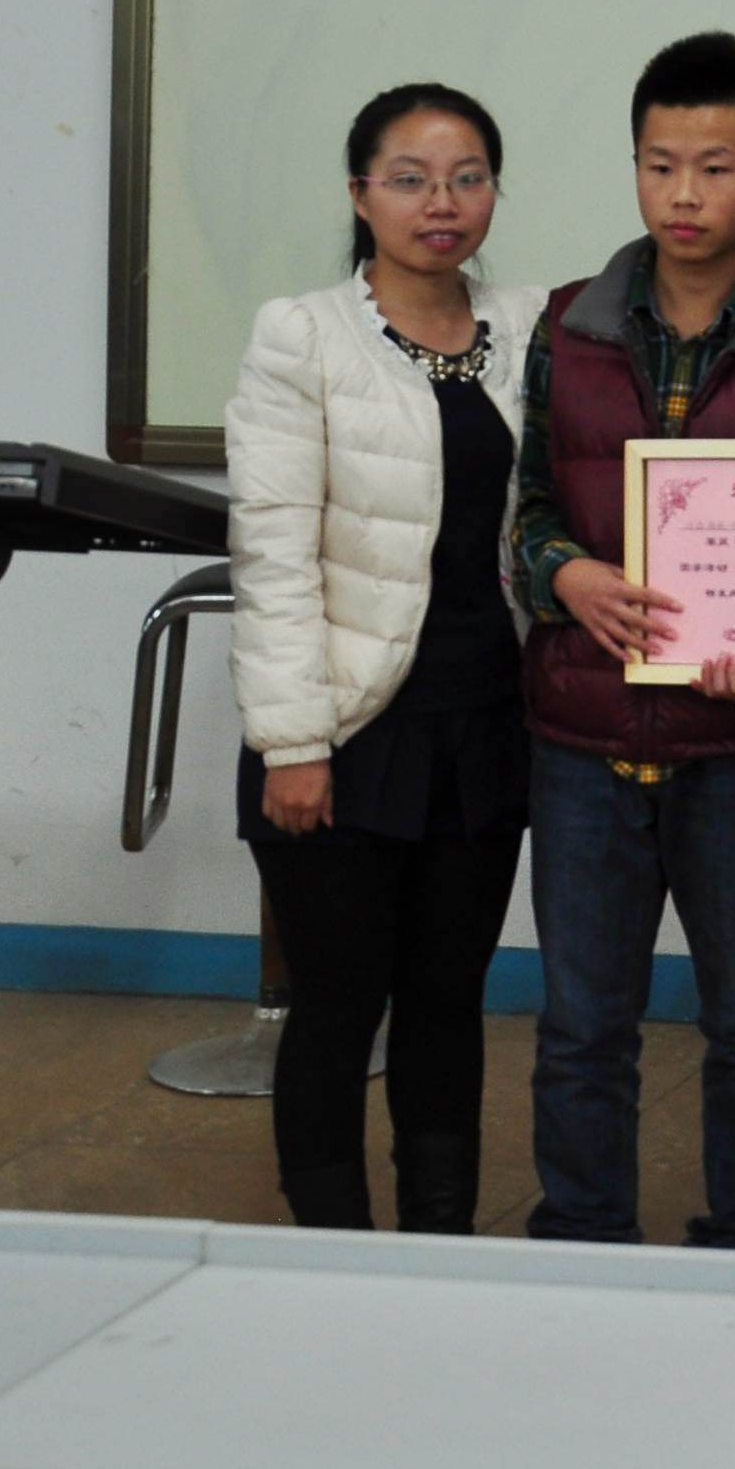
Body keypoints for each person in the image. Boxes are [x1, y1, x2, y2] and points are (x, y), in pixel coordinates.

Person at [505, 31, 735, 1250]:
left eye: (715, 166)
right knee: (581, 1025)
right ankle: (582, 1235)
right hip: (581, 732)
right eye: (659, 165)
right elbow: (528, 505)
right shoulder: (568, 325)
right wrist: (565, 573)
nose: (683, 194)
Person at [222, 82, 545, 1236]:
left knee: (448, 1002)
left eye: (466, 178)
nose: (440, 202)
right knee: (337, 1003)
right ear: (361, 194)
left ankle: (438, 1240)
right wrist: (292, 743)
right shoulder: (303, 334)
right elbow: (271, 552)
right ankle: (333, 1247)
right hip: (348, 729)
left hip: (486, 725)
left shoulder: (533, 327)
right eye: (409, 179)